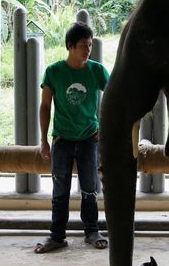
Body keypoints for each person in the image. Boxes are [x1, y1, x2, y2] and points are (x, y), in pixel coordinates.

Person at [35, 22, 109, 253]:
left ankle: (92, 231)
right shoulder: (54, 72)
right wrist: (44, 140)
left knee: (89, 188)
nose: (87, 50)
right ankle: (57, 236)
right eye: (82, 46)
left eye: (89, 45)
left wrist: (104, 128)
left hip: (89, 138)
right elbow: (45, 106)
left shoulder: (97, 70)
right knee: (60, 191)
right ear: (70, 46)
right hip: (62, 140)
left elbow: (114, 98)